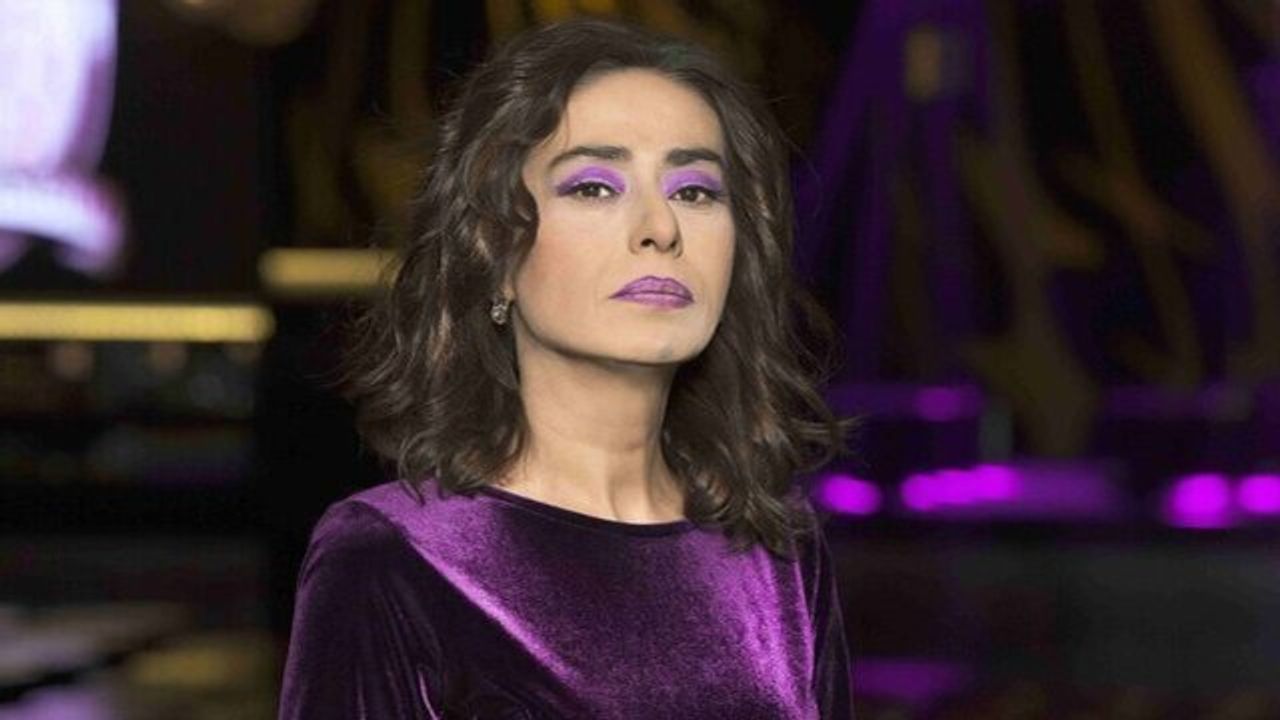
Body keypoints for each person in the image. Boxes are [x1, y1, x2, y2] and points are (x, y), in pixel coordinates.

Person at [277, 16, 863, 719]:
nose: (661, 228)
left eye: (695, 191)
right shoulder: (397, 555)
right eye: (594, 187)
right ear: (494, 251)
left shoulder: (775, 545)